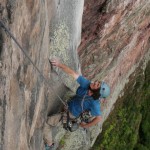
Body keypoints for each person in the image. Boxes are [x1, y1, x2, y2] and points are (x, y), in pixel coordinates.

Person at [43, 59, 110, 149]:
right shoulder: (88, 84)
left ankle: (50, 145)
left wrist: (86, 125)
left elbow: (98, 118)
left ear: (96, 92)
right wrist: (59, 64)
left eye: (96, 85)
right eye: (97, 82)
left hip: (71, 113)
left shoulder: (95, 103)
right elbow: (72, 73)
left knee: (47, 123)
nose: (94, 82)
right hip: (70, 103)